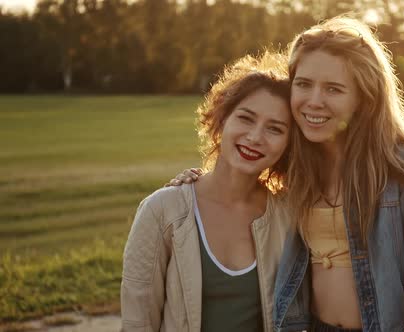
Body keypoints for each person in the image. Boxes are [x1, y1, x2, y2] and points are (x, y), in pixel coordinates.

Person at [169, 16, 404, 332]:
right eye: (304, 84)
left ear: (364, 97)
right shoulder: (296, 165)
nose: (314, 101)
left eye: (333, 89)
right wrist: (195, 180)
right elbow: (239, 176)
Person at [120, 52, 294, 332]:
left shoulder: (288, 216)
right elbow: (137, 323)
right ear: (222, 120)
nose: (255, 137)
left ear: (288, 144)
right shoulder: (162, 211)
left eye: (275, 129)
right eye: (246, 119)